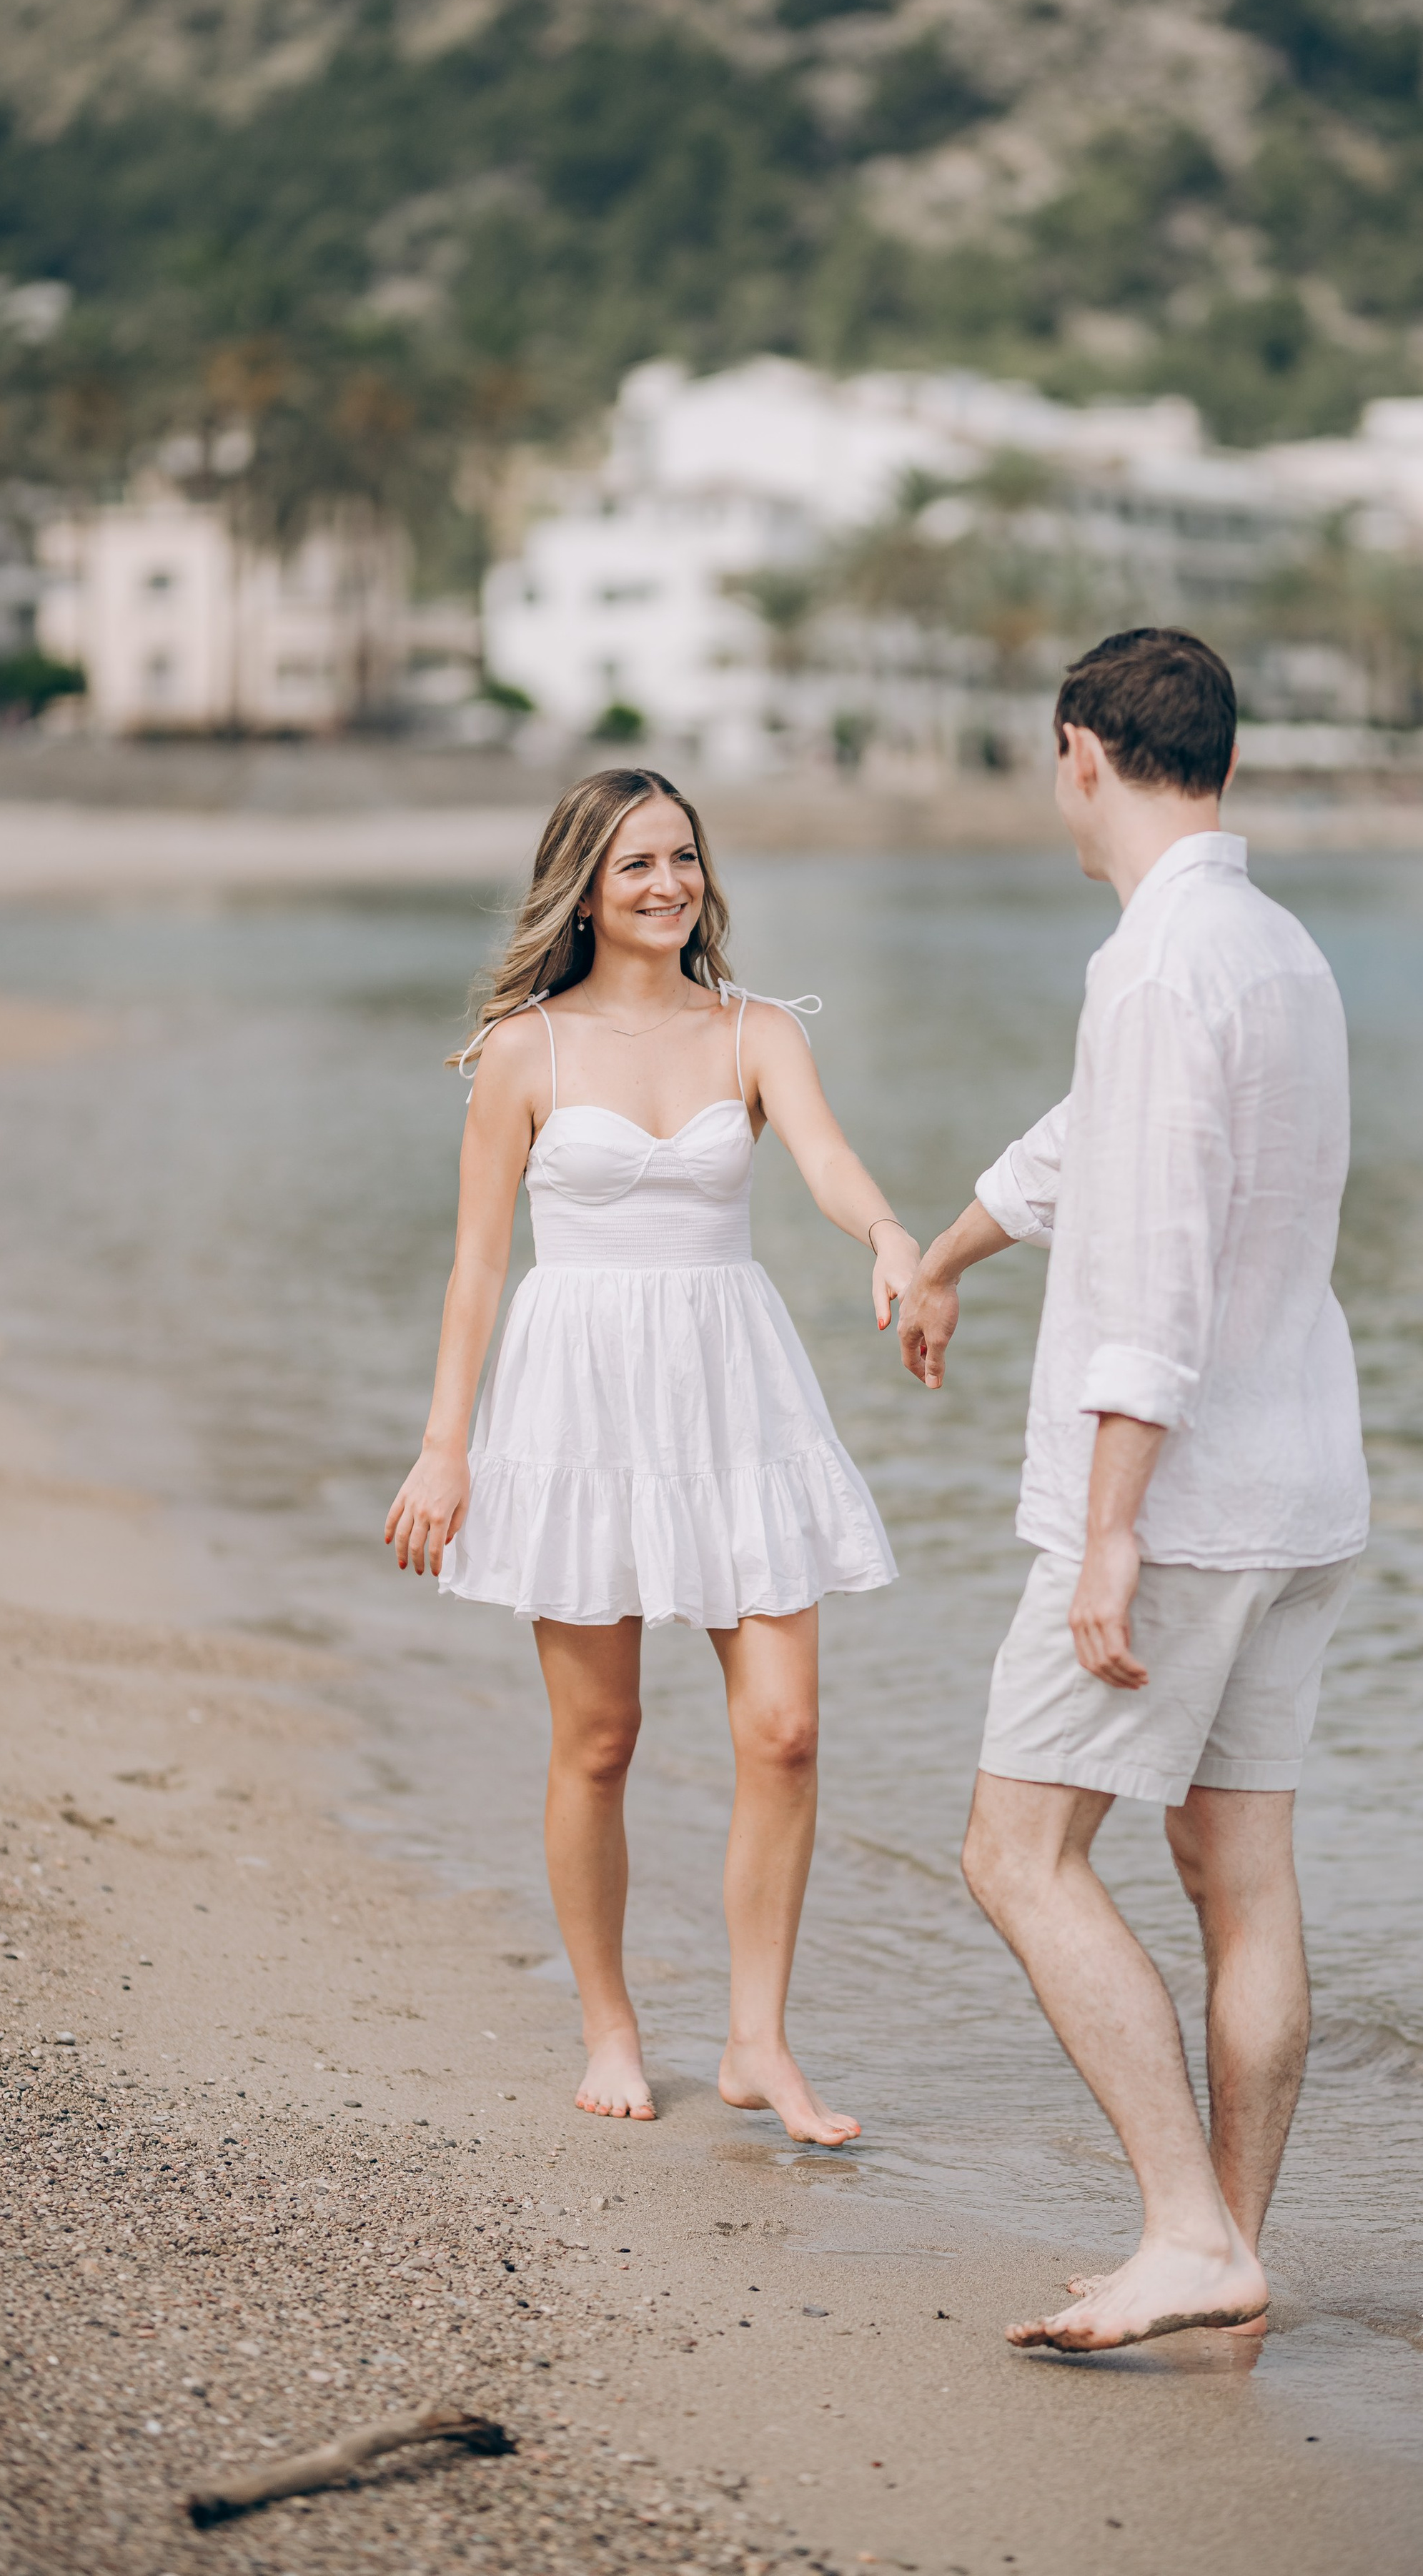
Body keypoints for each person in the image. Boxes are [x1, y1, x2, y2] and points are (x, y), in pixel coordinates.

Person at [899, 629, 1368, 2349]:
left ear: (1077, 753)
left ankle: (1186, 2229)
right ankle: (1228, 2245)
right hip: (1299, 1484)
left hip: (1181, 1506)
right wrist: (942, 1254)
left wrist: (1107, 1532)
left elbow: (1152, 1275)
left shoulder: (1159, 966)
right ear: (1218, 762)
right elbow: (1085, 1142)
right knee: (1237, 1875)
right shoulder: (1274, 948)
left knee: (1015, 1853)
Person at [387, 768, 915, 2146]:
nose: (670, 884)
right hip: (578, 1404)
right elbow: (475, 1271)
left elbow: (827, 1158)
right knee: (602, 1741)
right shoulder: (524, 1052)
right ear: (585, 885)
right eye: (636, 866)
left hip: (733, 1394)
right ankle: (610, 2022)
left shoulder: (756, 1030)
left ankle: (756, 2041)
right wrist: (447, 1450)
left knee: (786, 1734)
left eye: (684, 857)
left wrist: (893, 1239)